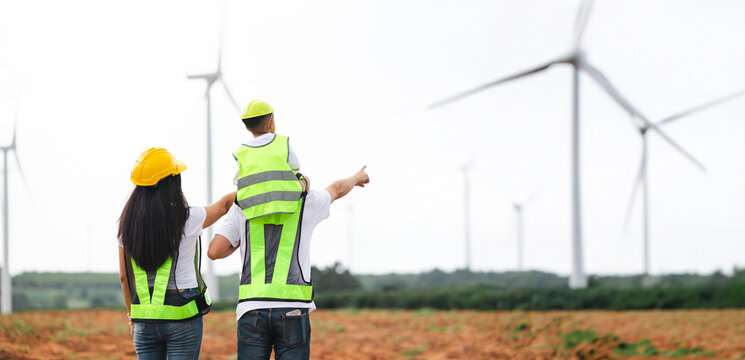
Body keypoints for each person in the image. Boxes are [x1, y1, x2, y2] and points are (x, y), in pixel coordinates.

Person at [208, 166, 370, 360]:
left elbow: (214, 251)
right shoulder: (307, 202)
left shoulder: (242, 205)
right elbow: (336, 188)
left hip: (252, 310)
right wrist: (356, 177)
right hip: (293, 308)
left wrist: (240, 239)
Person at [118, 147, 236, 359]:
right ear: (172, 182)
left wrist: (133, 317)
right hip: (183, 316)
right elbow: (224, 205)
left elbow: (125, 278)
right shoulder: (189, 218)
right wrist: (256, 187)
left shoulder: (127, 225)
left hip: (145, 319)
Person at [233, 100, 308, 221]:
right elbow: (295, 167)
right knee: (304, 180)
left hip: (254, 210)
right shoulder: (282, 142)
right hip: (286, 204)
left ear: (246, 127)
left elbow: (238, 181)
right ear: (270, 121)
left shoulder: (241, 152)